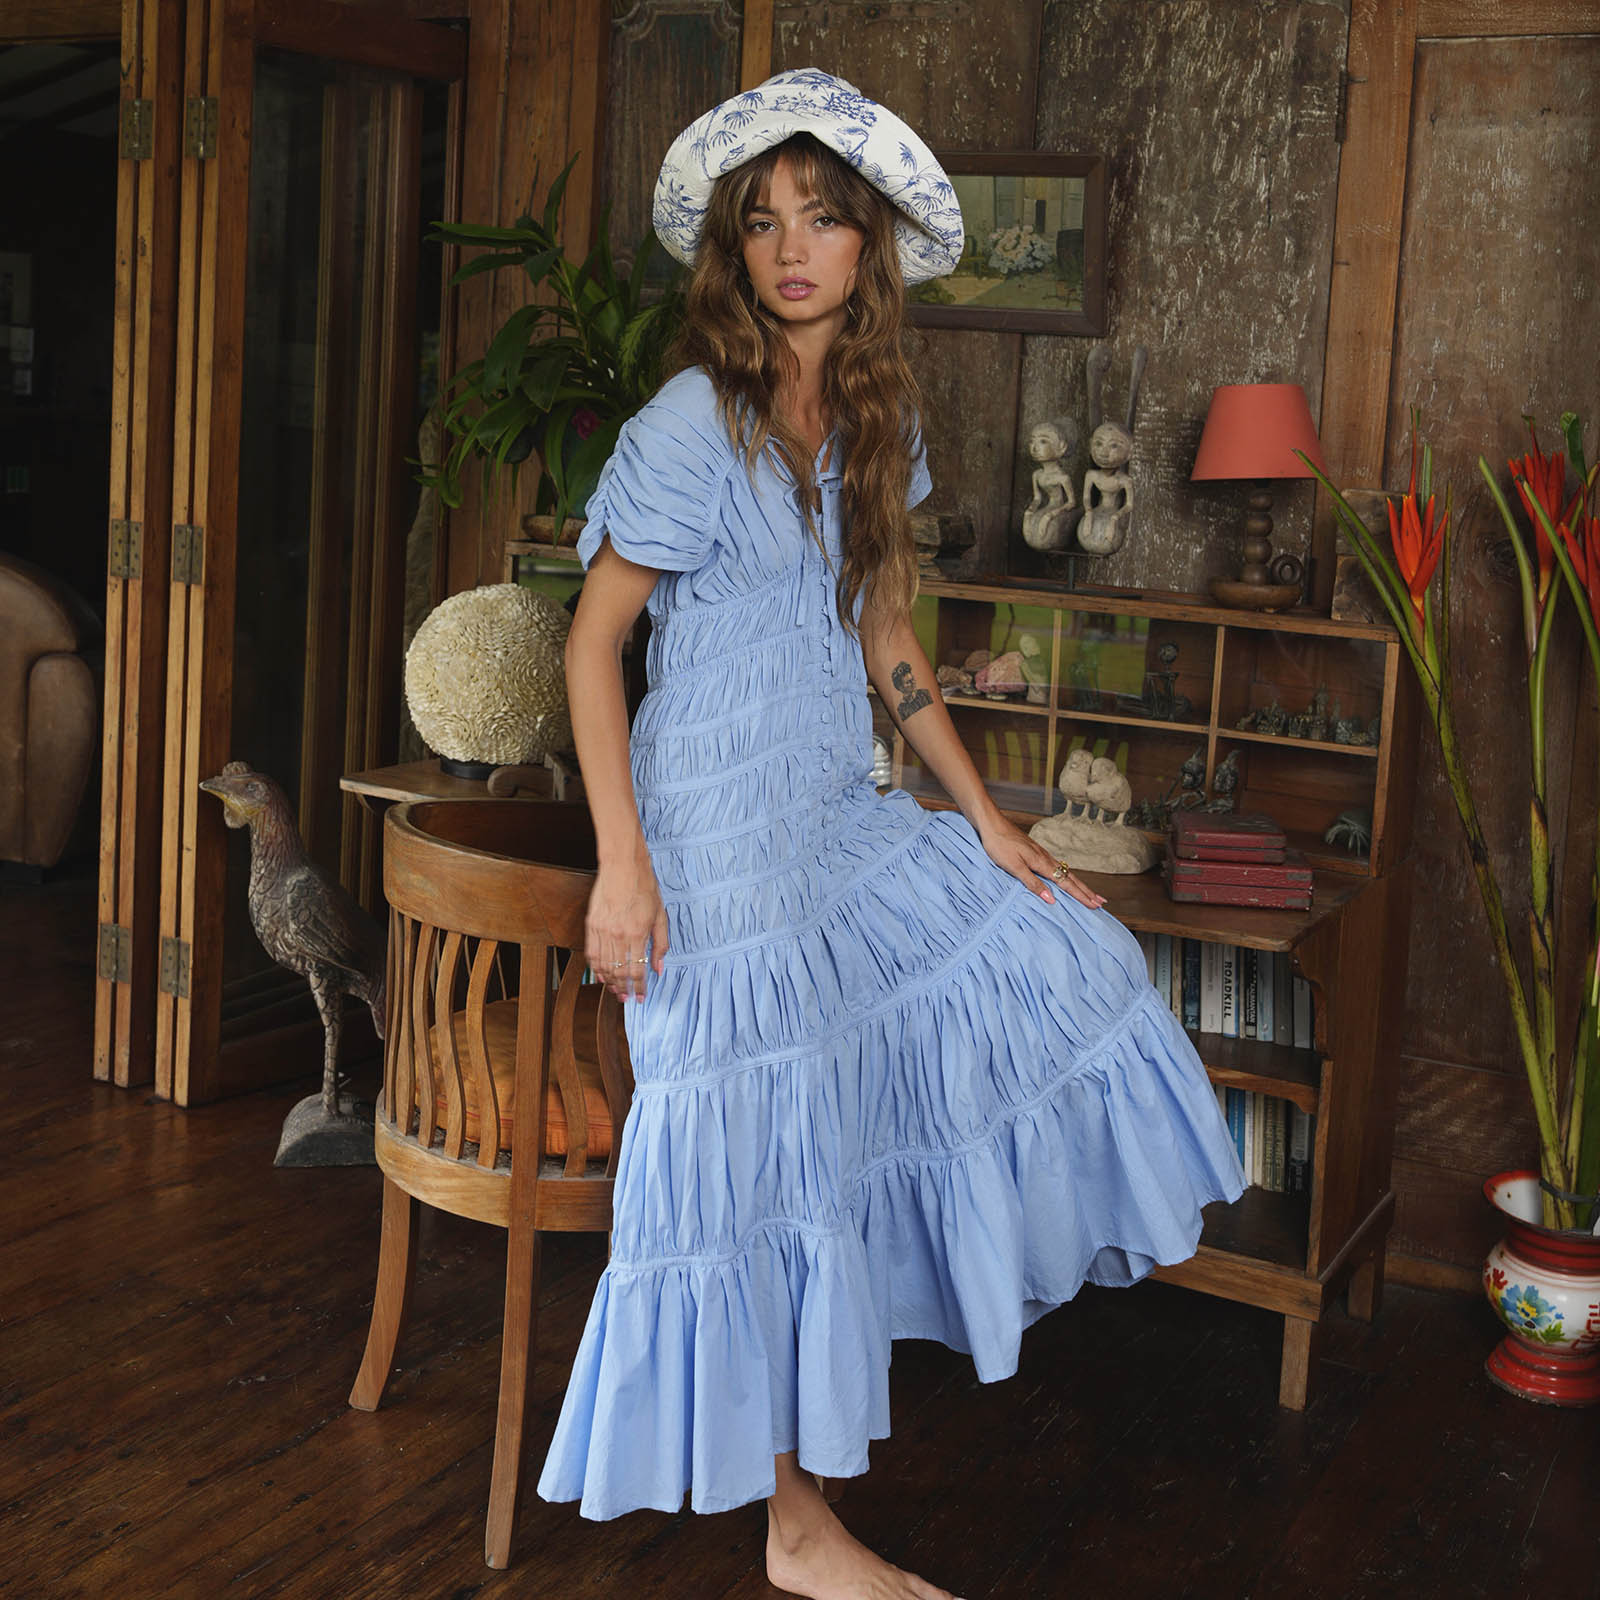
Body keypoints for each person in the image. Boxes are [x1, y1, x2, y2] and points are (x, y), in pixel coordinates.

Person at [538, 69, 1245, 1600]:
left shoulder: (873, 418)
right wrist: (625, 867)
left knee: (1064, 951)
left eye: (826, 218)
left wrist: (987, 819)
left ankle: (814, 1497)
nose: (795, 247)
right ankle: (798, 1533)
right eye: (766, 221)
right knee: (767, 1154)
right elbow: (591, 651)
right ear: (735, 251)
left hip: (828, 810)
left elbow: (890, 637)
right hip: (710, 834)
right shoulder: (690, 420)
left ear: (869, 249)